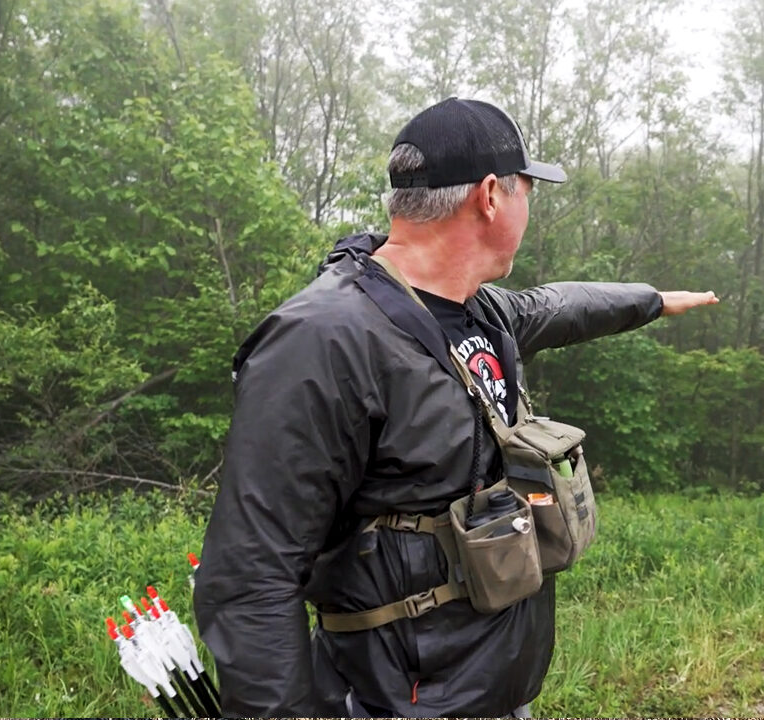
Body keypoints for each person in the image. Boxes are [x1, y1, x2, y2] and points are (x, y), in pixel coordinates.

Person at [193, 97, 718, 718]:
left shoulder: (476, 310)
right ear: (492, 196)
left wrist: (652, 300)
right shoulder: (324, 339)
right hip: (395, 701)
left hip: (490, 687)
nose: (531, 206)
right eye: (529, 188)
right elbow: (251, 577)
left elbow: (560, 305)